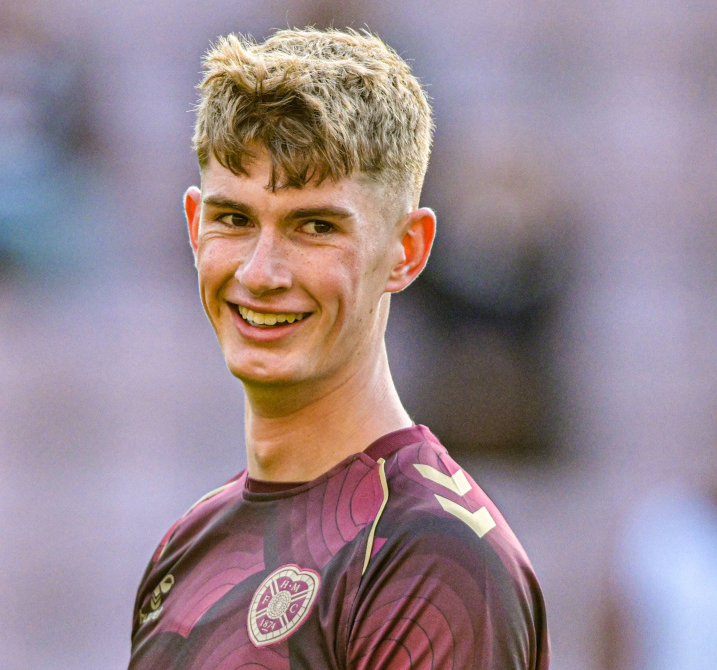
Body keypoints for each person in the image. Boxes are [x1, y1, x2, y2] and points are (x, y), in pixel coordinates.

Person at [128, 28, 549, 669]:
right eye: (234, 219)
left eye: (315, 226)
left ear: (407, 251)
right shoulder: (185, 549)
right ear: (194, 226)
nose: (260, 273)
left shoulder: (431, 557)